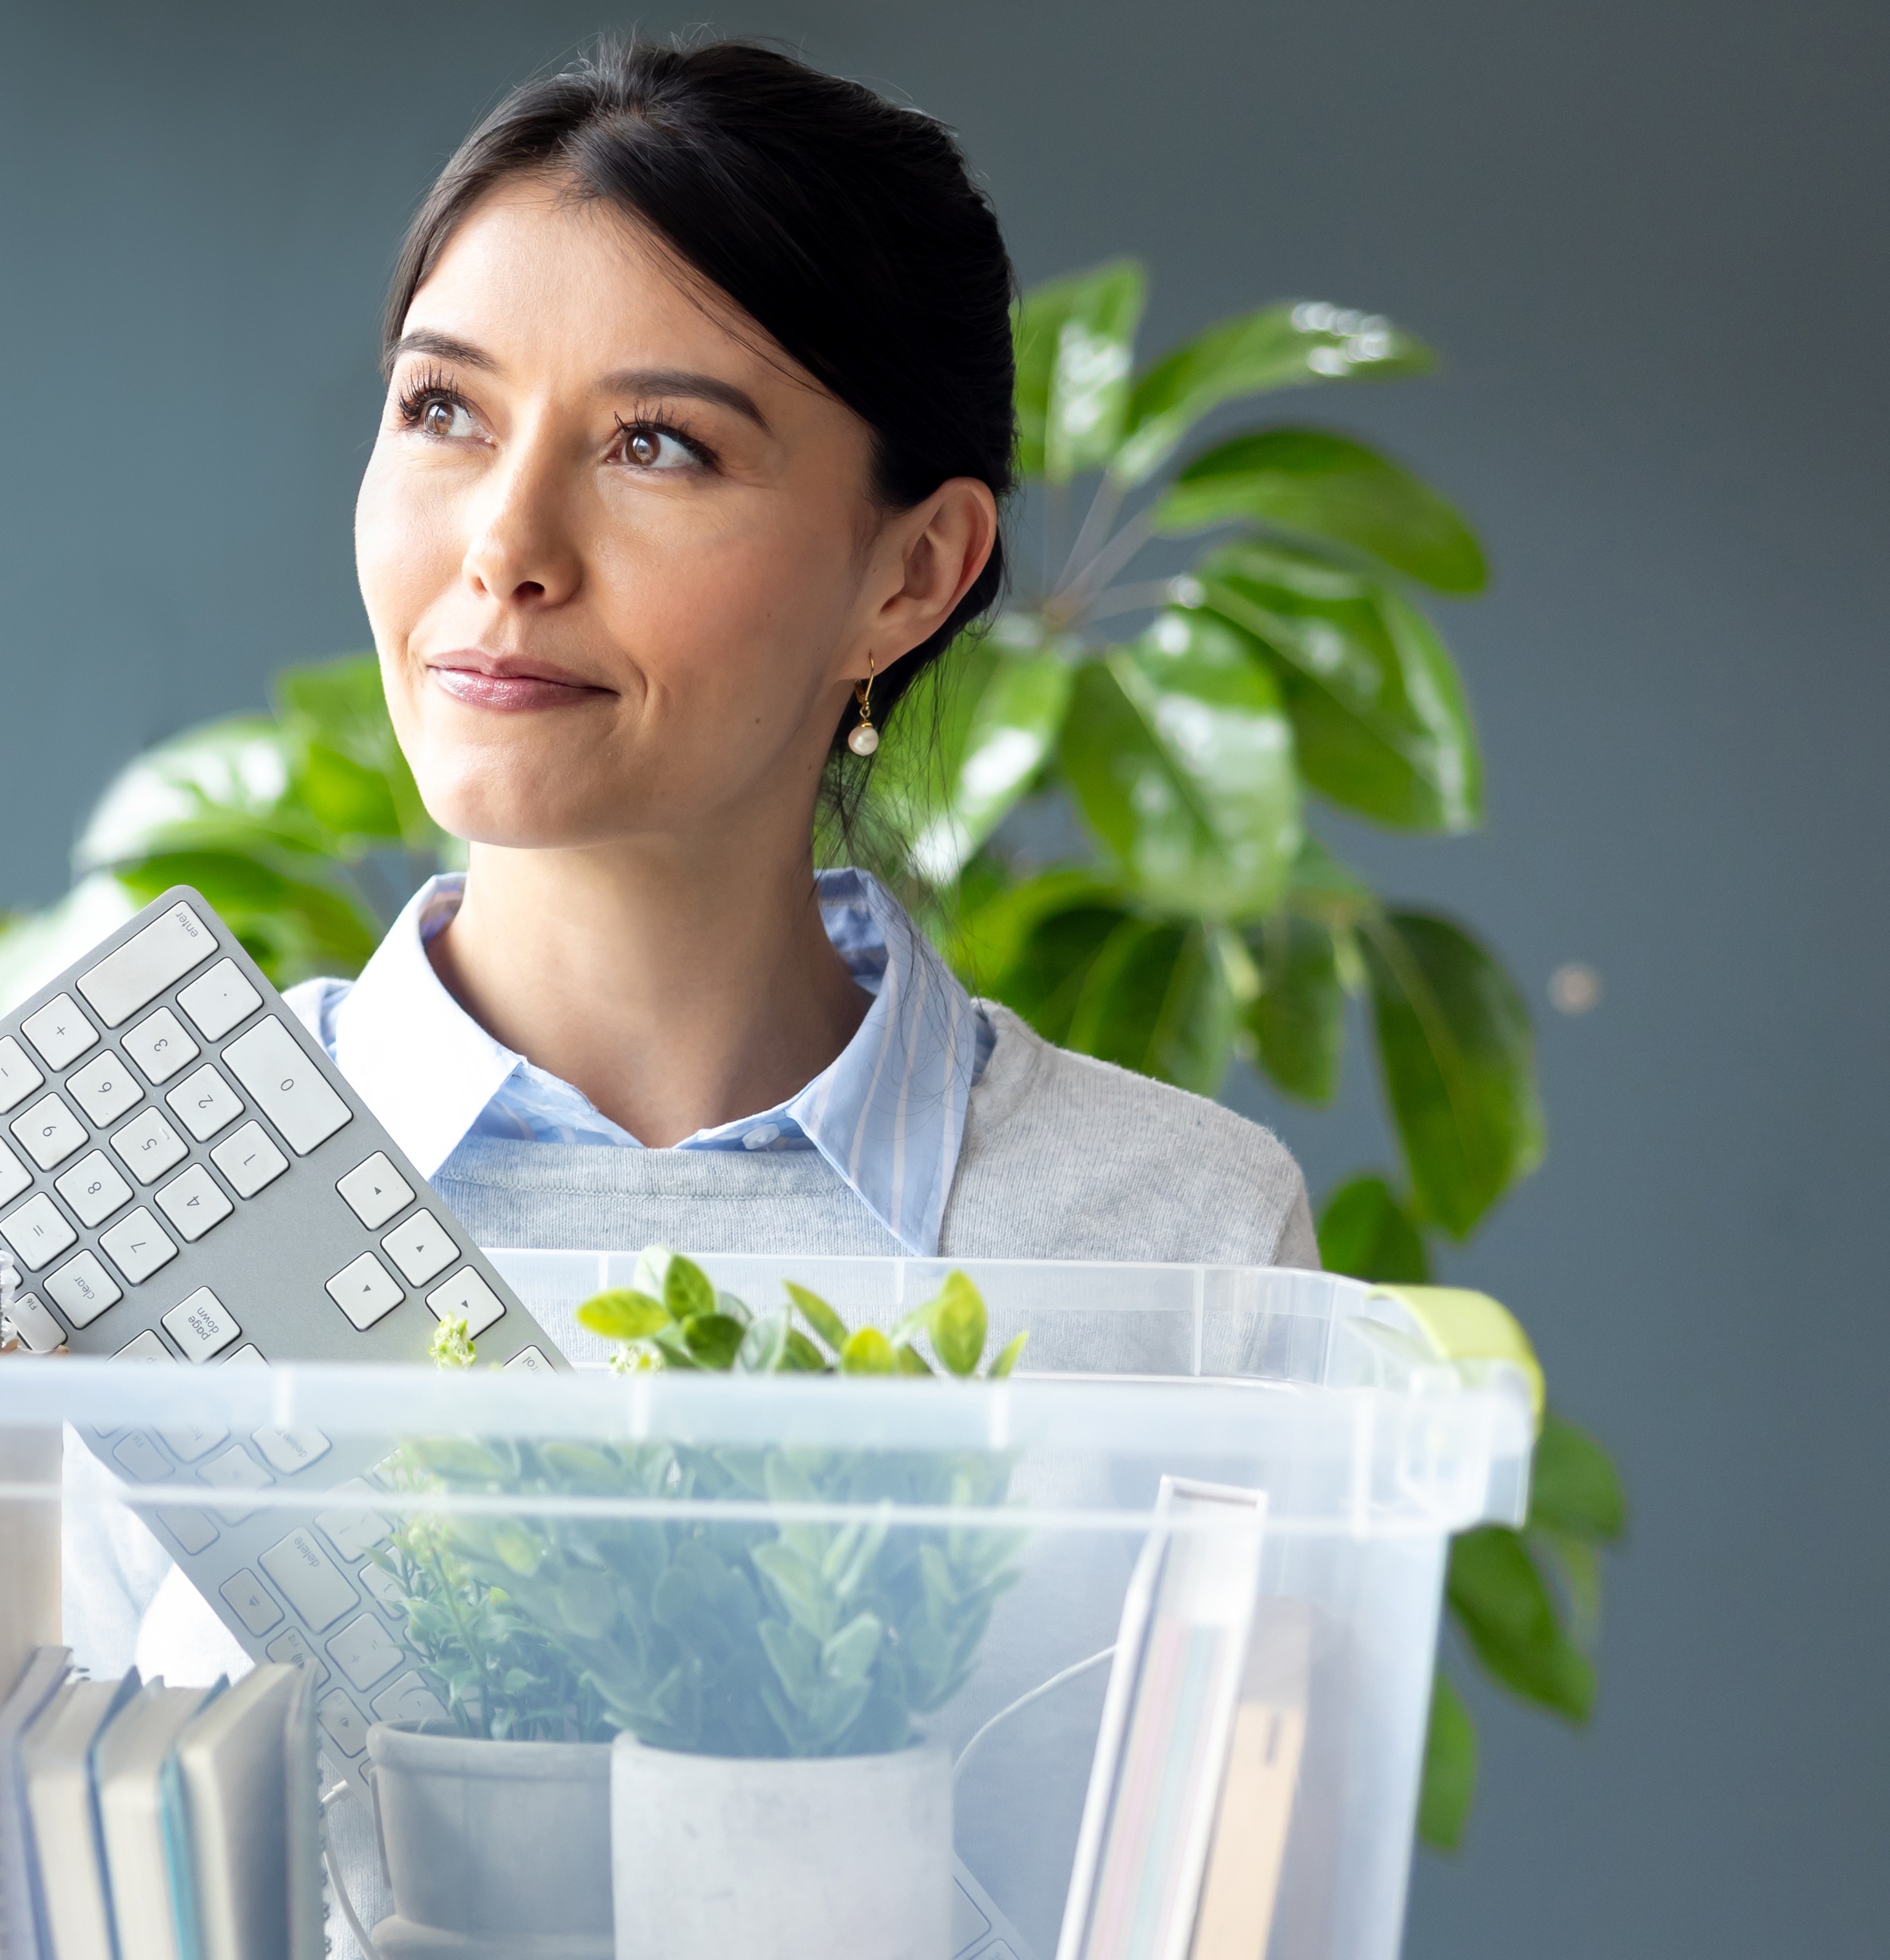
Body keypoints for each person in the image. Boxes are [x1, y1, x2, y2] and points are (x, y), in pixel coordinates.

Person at [66, 18, 1320, 1729]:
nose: (503, 547)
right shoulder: (146, 1190)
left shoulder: (1183, 1241)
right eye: (443, 410)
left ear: (913, 573)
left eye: (657, 443)